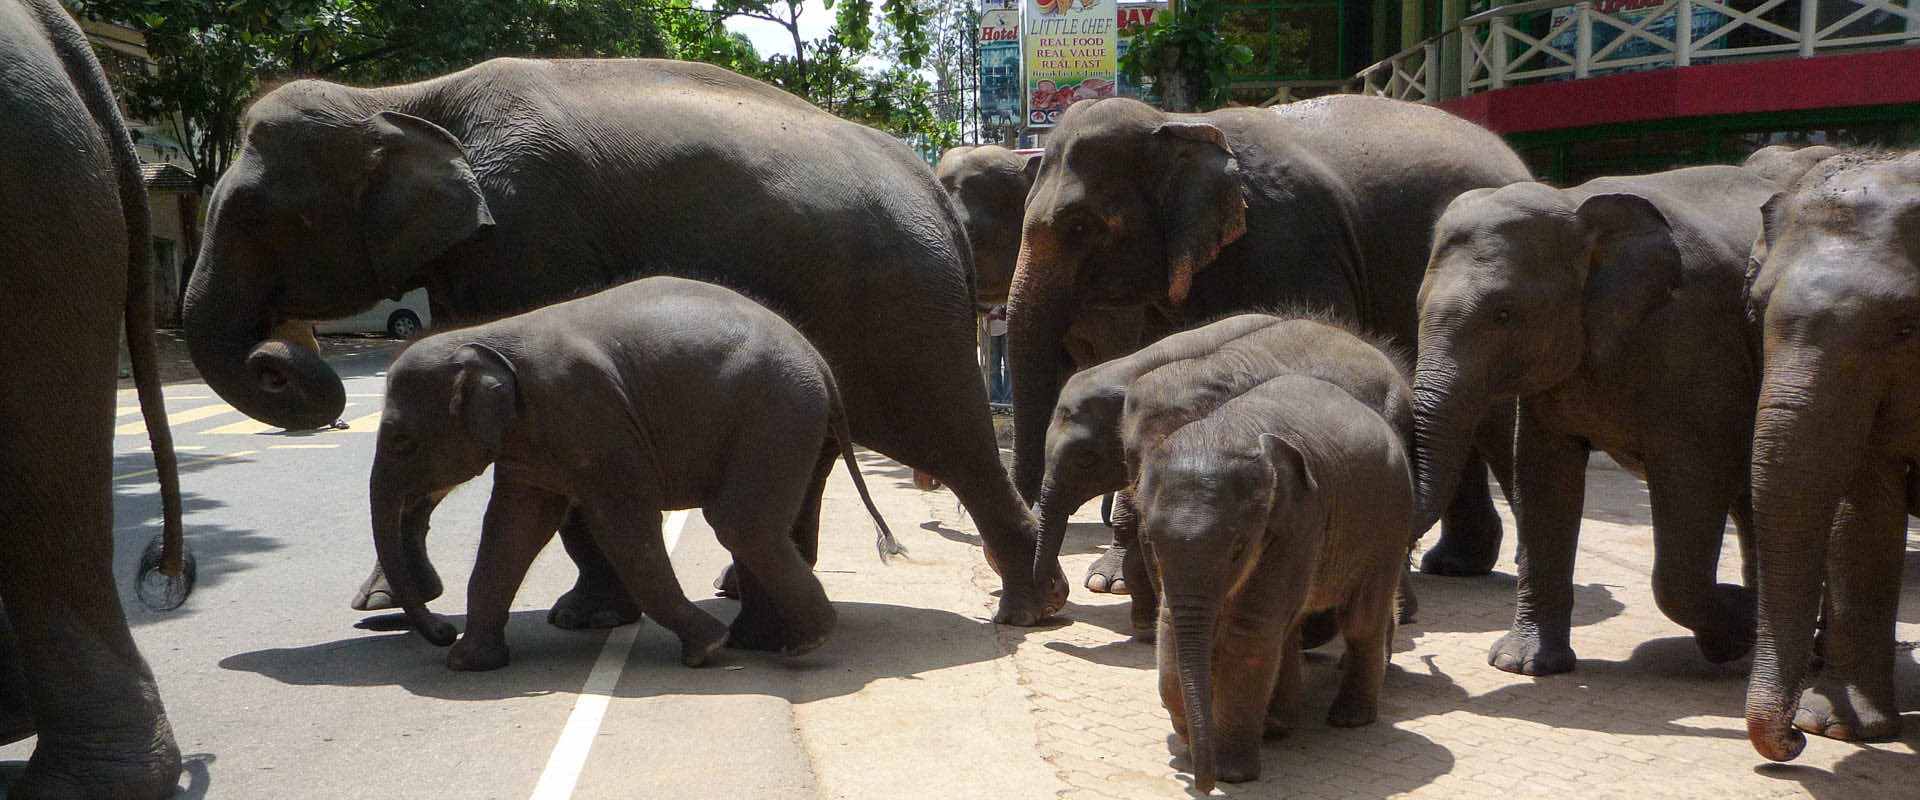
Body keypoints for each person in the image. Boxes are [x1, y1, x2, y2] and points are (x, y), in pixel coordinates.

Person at [984, 304, 1011, 406]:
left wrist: (1002, 308)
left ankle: (1009, 403)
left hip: (1008, 326)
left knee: (1010, 367)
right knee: (992, 368)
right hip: (989, 327)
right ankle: (995, 402)